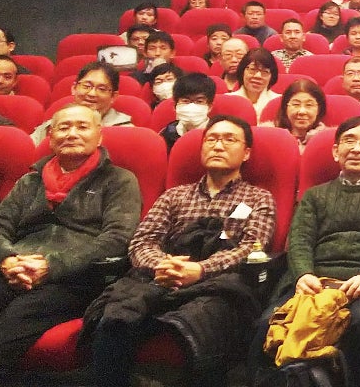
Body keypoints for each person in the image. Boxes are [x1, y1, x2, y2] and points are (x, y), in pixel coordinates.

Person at [85, 116, 275, 387]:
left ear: (246, 153)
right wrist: (164, 265)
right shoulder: (174, 196)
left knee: (200, 320)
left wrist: (200, 269)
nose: (218, 145)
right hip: (160, 276)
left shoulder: (258, 198)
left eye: (229, 139)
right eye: (211, 139)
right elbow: (142, 241)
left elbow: (252, 248)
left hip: (216, 282)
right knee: (117, 316)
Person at [0, 104, 142, 384]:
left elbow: (117, 239)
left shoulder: (119, 180)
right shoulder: (30, 181)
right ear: (50, 137)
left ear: (99, 136)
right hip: (16, 272)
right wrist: (7, 261)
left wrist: (50, 266)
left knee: (11, 323)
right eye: (64, 127)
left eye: (82, 127)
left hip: (74, 280)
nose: (72, 133)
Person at [32, 62, 133, 143]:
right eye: (86, 86)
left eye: (102, 89)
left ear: (113, 96)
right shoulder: (52, 125)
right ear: (74, 88)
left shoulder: (125, 131)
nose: (92, 93)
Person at [159, 72, 216, 149]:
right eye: (186, 101)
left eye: (199, 101)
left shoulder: (218, 133)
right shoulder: (167, 133)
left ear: (209, 107)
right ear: (175, 106)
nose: (192, 106)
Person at [273, 78, 329, 150]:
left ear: (319, 109)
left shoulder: (328, 141)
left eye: (309, 105)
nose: (302, 111)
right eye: (296, 104)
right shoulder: (271, 137)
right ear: (285, 108)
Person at [227, 48, 280, 116]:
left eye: (265, 71)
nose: (258, 76)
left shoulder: (279, 103)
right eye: (252, 69)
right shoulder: (227, 100)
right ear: (242, 72)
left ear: (272, 76)